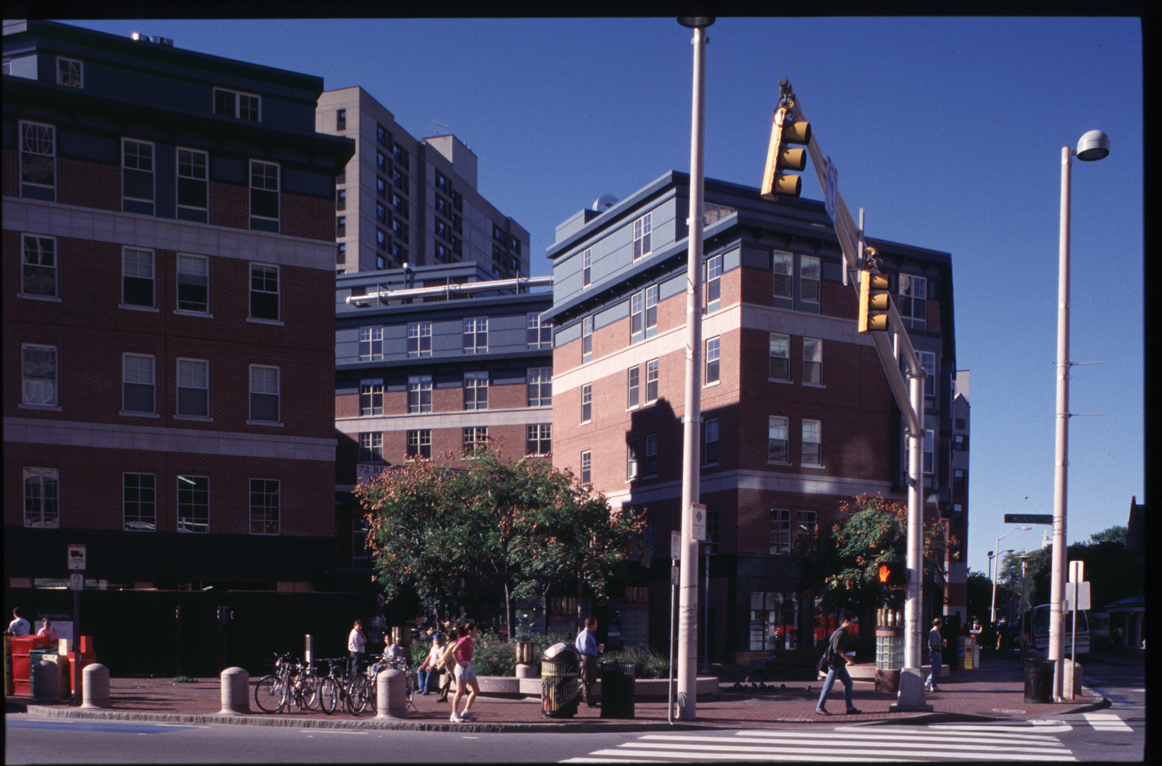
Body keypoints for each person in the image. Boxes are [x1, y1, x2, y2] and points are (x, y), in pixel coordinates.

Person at [815, 615, 861, 715]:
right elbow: (837, 649)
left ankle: (849, 708)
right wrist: (848, 659)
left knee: (848, 683)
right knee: (828, 686)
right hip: (835, 664)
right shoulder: (840, 633)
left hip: (839, 665)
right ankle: (820, 707)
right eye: (852, 622)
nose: (853, 624)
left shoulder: (841, 632)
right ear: (846, 621)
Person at [449, 621, 480, 723]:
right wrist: (459, 662)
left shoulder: (470, 641)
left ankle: (466, 711)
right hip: (462, 667)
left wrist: (469, 663)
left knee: (476, 690)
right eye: (475, 630)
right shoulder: (464, 640)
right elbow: (454, 651)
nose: (477, 632)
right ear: (470, 631)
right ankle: (454, 714)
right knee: (460, 691)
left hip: (468, 666)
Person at [575, 616, 601, 708]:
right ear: (592, 625)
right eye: (596, 624)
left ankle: (573, 696)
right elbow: (585, 649)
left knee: (590, 680)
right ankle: (589, 702)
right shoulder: (585, 635)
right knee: (587, 681)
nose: (597, 626)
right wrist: (598, 648)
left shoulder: (589, 634)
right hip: (586, 658)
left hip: (591, 659)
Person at [435, 619, 458, 703]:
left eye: (448, 636)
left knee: (457, 683)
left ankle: (468, 693)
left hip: (453, 667)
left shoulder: (454, 644)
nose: (447, 638)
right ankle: (444, 696)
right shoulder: (451, 644)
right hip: (449, 667)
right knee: (446, 682)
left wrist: (440, 664)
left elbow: (448, 657)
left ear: (451, 637)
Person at [925, 617, 947, 692]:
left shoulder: (937, 631)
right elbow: (932, 643)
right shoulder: (933, 631)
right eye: (941, 623)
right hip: (935, 652)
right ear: (939, 623)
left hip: (937, 651)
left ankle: (931, 683)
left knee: (937, 668)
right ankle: (931, 683)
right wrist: (941, 643)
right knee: (936, 668)